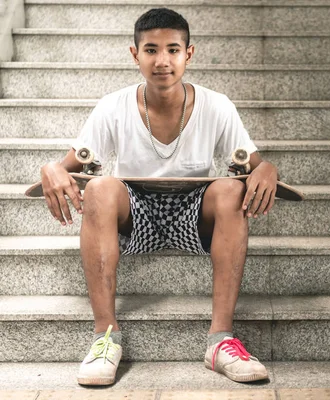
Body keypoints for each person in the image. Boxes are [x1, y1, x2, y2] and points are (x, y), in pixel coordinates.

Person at [39, 7, 277, 385]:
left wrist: (267, 168)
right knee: (100, 186)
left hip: (193, 218)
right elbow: (71, 165)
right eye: (151, 50)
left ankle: (220, 341)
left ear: (189, 53)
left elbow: (252, 165)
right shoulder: (113, 106)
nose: (162, 61)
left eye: (172, 49)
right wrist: (50, 169)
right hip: (134, 217)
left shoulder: (217, 105)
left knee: (232, 190)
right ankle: (105, 338)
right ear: (135, 55)